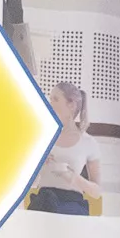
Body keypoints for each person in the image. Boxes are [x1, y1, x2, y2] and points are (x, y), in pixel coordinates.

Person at [29, 82, 101, 215]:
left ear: (71, 105)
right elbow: (30, 183)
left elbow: (96, 192)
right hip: (43, 203)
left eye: (55, 99)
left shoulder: (88, 142)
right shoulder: (42, 137)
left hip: (73, 207)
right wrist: (39, 165)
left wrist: (71, 176)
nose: (49, 104)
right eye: (50, 99)